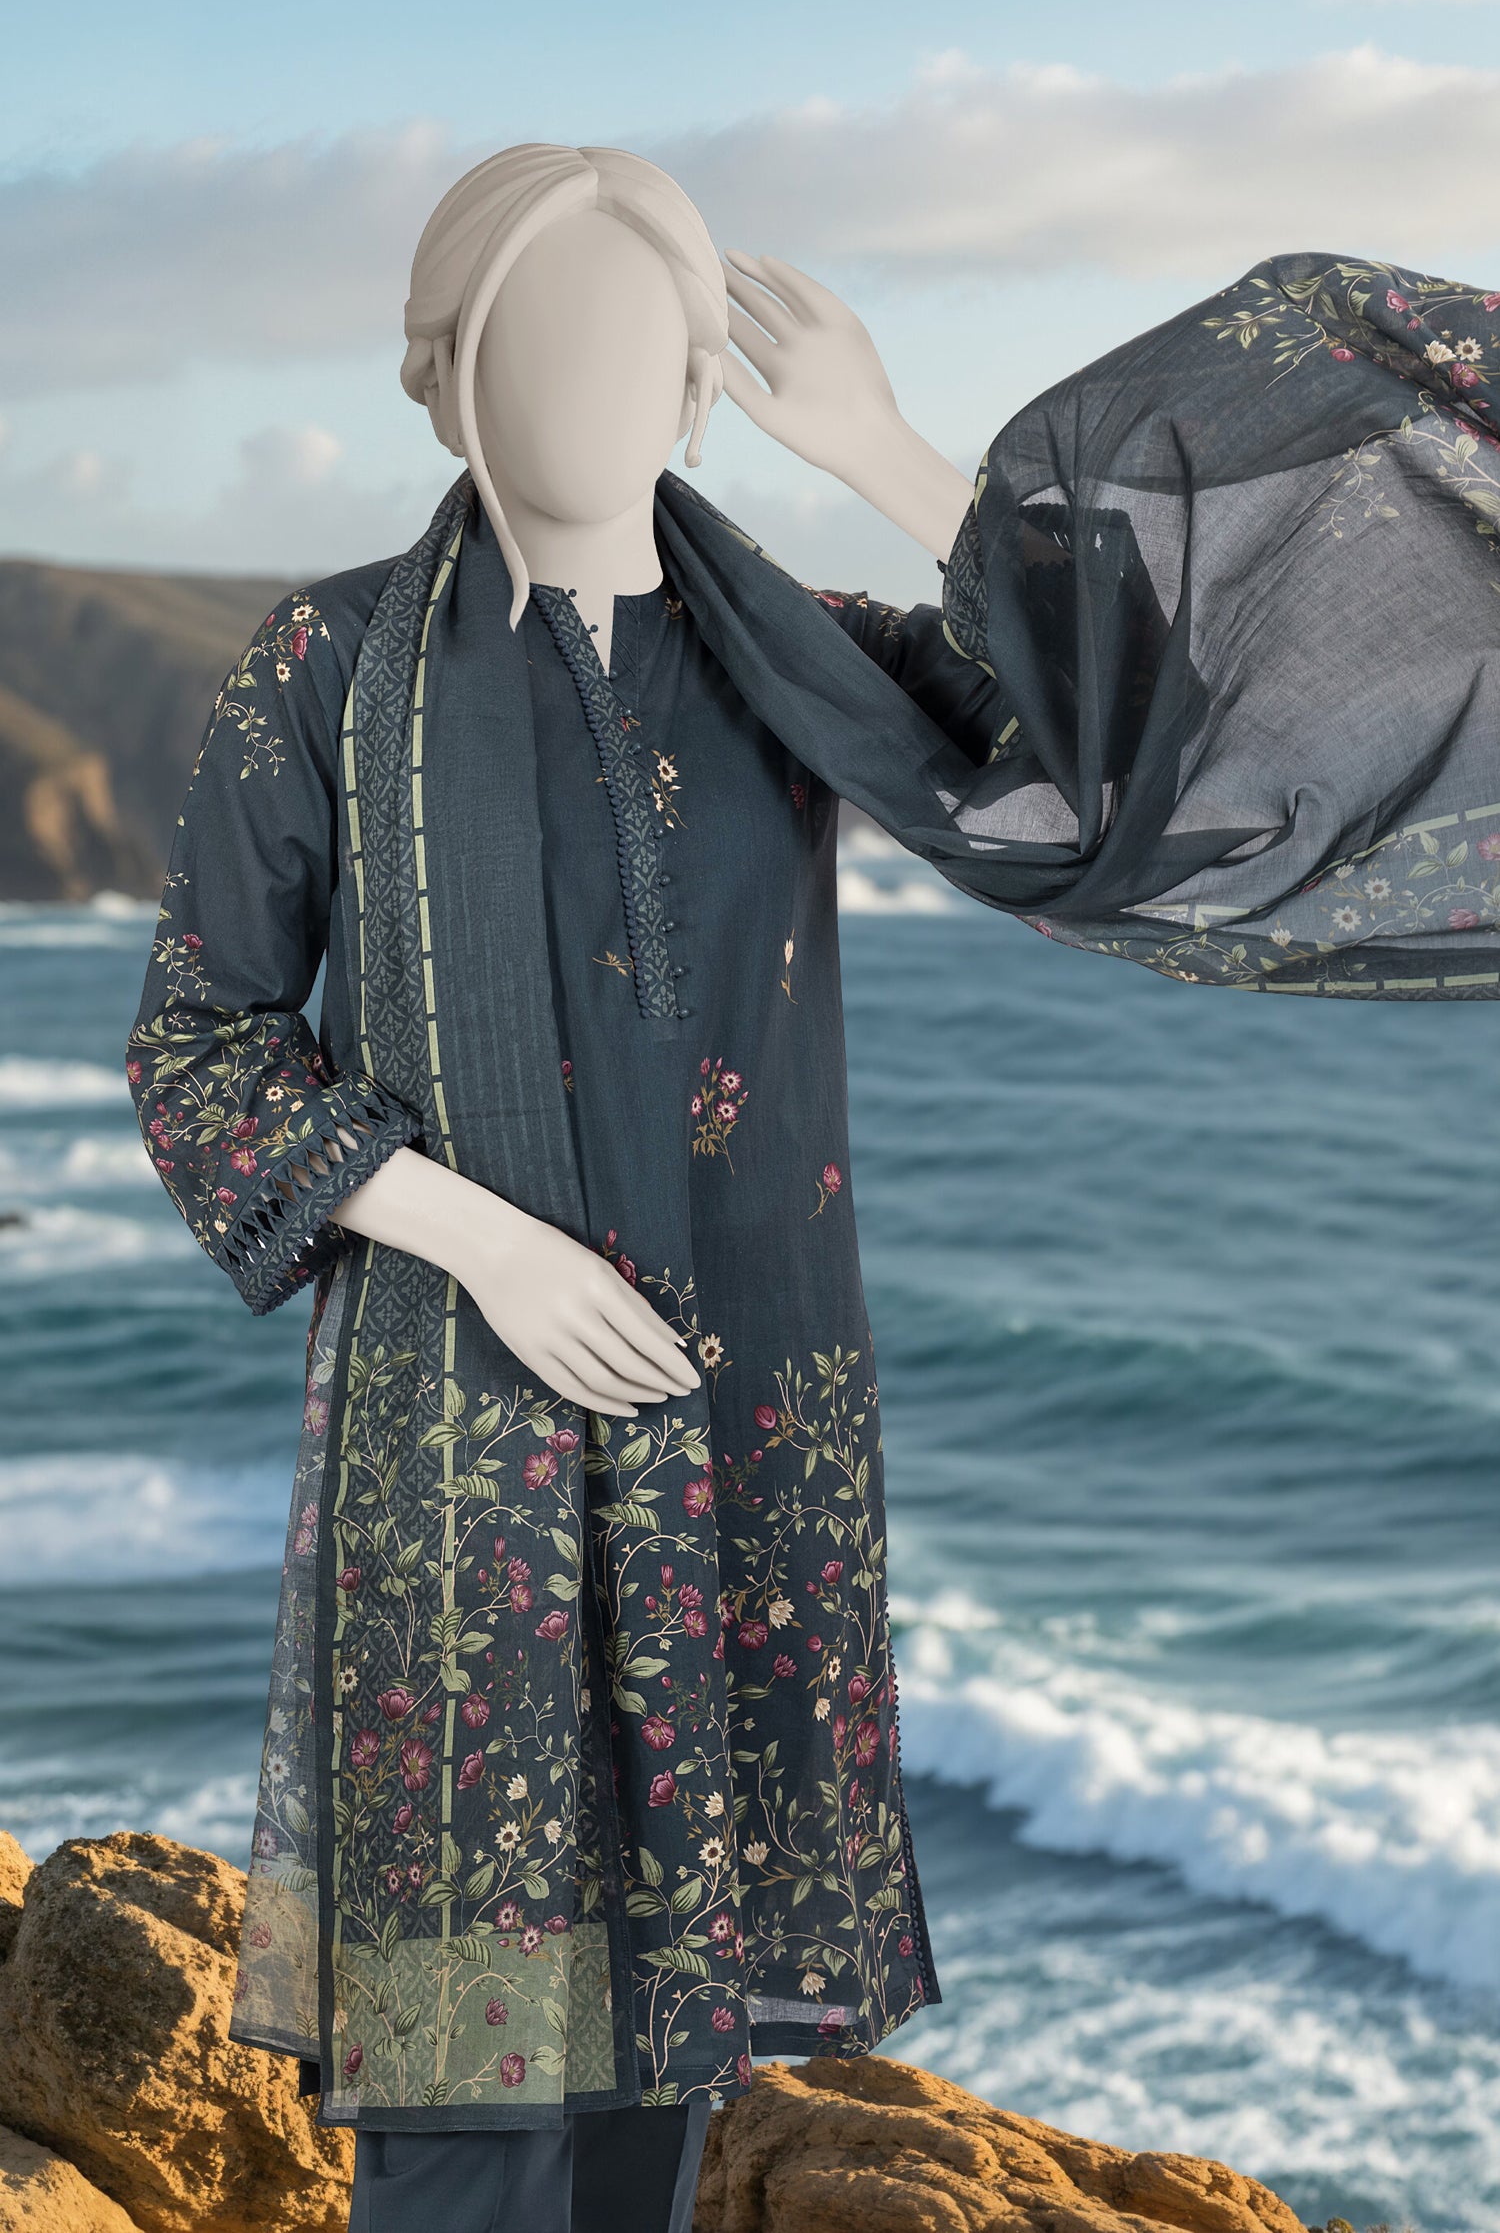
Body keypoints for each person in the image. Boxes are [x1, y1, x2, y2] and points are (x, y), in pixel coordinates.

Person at [127, 143, 1500, 2230]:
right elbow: (201, 1041)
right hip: (460, 1454)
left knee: (662, 2076)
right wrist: (477, 1239)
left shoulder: (795, 664)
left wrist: (888, 451)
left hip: (736, 1428)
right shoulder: (327, 665)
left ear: (702, 384)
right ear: (443, 369)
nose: (583, 383)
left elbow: (1126, 752)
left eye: (635, 340)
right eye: (532, 335)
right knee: (466, 2090)